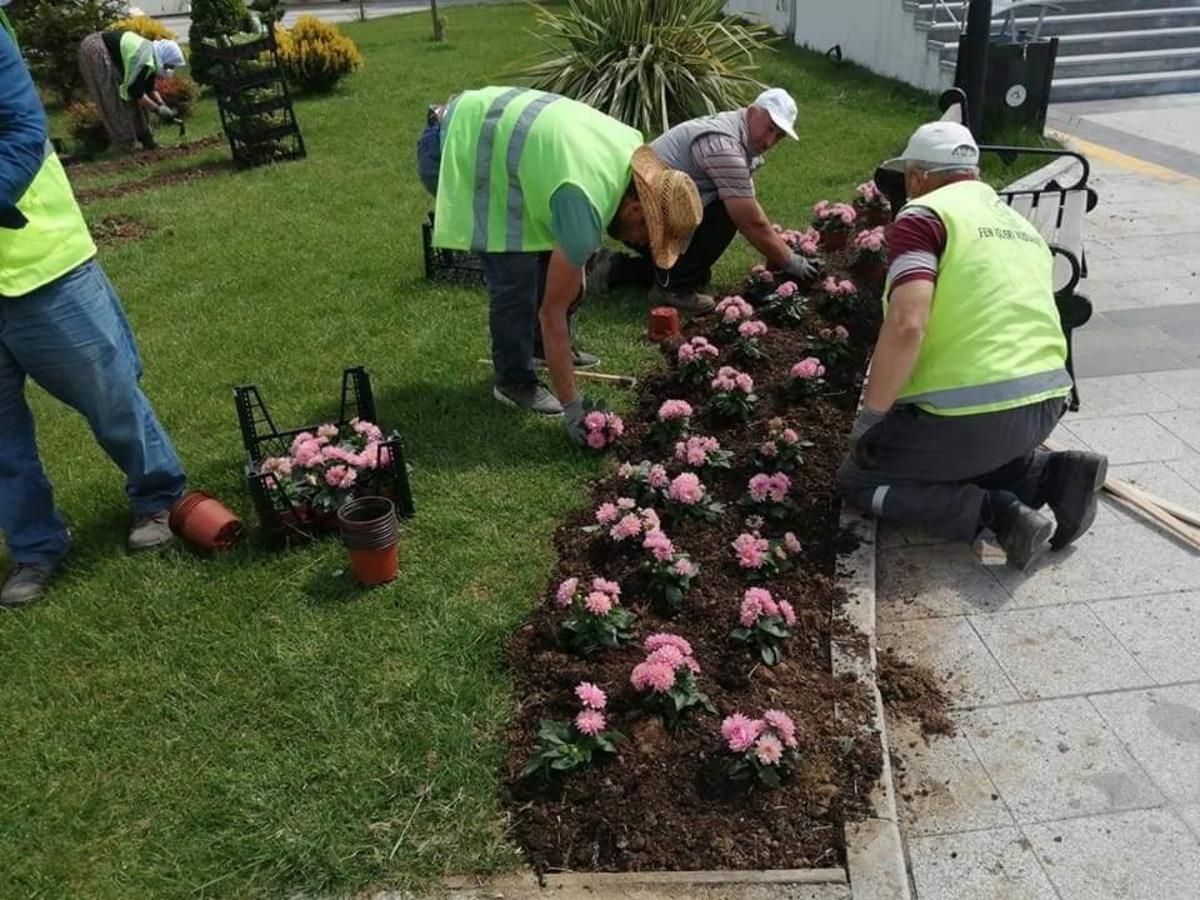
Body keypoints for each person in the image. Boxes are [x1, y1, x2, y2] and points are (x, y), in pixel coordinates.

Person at [837, 121, 1108, 571]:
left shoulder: (924, 217)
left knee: (859, 480)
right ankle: (1057, 475)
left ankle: (995, 514)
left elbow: (907, 323)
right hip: (1046, 404)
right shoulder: (1020, 226)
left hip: (972, 416)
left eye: (907, 179)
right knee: (962, 457)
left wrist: (872, 417)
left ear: (919, 177)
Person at [1, 21, 188, 608]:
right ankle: (34, 546)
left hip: (41, 261)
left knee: (109, 393)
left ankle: (158, 495)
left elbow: (24, 129)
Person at [418, 86, 703, 438]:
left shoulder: (628, 147)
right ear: (633, 208)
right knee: (514, 276)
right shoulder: (585, 201)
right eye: (648, 236)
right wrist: (573, 408)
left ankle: (537, 349)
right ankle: (513, 380)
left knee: (543, 257)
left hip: (481, 124)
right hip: (455, 146)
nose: (640, 244)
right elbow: (552, 313)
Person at [589, 87, 817, 315]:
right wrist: (791, 261)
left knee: (697, 273)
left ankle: (613, 268)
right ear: (752, 112)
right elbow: (749, 220)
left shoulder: (734, 131)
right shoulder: (724, 146)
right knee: (728, 213)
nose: (769, 141)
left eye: (778, 135)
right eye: (769, 129)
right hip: (638, 220)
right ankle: (673, 291)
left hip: (653, 211)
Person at [78, 27, 186, 154]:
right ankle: (128, 145)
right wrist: (158, 110)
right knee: (114, 99)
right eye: (170, 65)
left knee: (134, 100)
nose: (170, 68)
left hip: (108, 50)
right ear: (163, 58)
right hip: (96, 49)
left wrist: (163, 105)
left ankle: (146, 140)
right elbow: (136, 93)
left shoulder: (152, 57)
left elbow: (149, 88)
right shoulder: (144, 59)